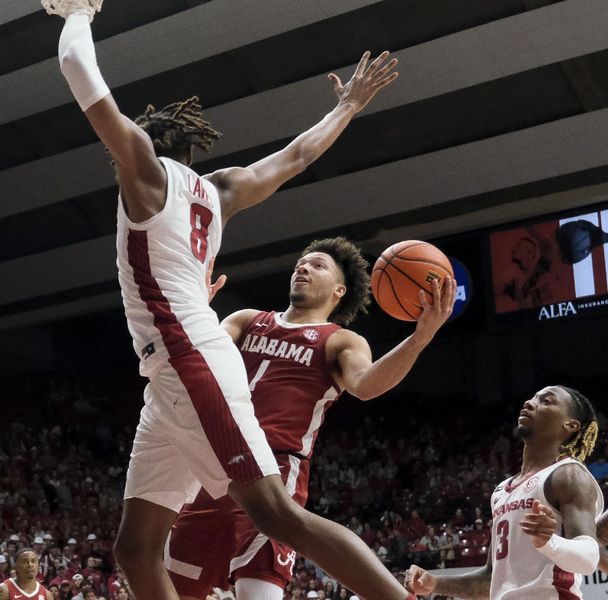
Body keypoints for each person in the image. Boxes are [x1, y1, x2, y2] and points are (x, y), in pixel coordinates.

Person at [42, 1, 410, 599]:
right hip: (171, 370)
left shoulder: (143, 175)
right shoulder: (218, 191)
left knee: (275, 514)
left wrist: (77, 13)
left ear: (144, 145)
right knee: (136, 549)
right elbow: (296, 157)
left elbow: (78, 69)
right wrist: (345, 107)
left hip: (188, 355)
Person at [165, 236, 455, 599]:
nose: (303, 268)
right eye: (302, 263)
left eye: (318, 265)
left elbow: (365, 385)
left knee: (258, 591)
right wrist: (195, 317)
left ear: (339, 290)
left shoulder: (341, 341)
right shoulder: (246, 320)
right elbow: (197, 365)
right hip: (211, 468)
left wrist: (420, 337)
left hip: (272, 469)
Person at [406, 385, 602, 599]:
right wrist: (434, 582)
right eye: (533, 398)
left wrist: (548, 542)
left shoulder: (569, 475)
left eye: (546, 401)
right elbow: (490, 580)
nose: (529, 403)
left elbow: (588, 560)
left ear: (570, 425)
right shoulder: (502, 490)